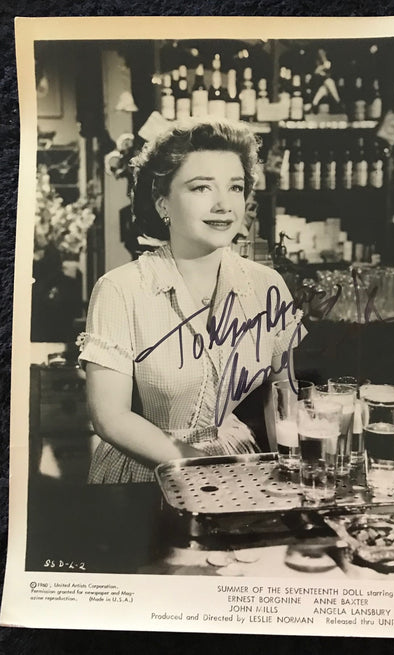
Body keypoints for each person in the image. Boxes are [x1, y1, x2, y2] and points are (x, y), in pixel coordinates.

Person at [78, 118, 307, 483]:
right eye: (201, 188)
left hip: (236, 467)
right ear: (162, 202)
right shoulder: (120, 289)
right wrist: (200, 467)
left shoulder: (267, 286)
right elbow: (109, 417)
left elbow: (283, 394)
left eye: (235, 187)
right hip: (148, 471)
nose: (224, 205)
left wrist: (292, 467)